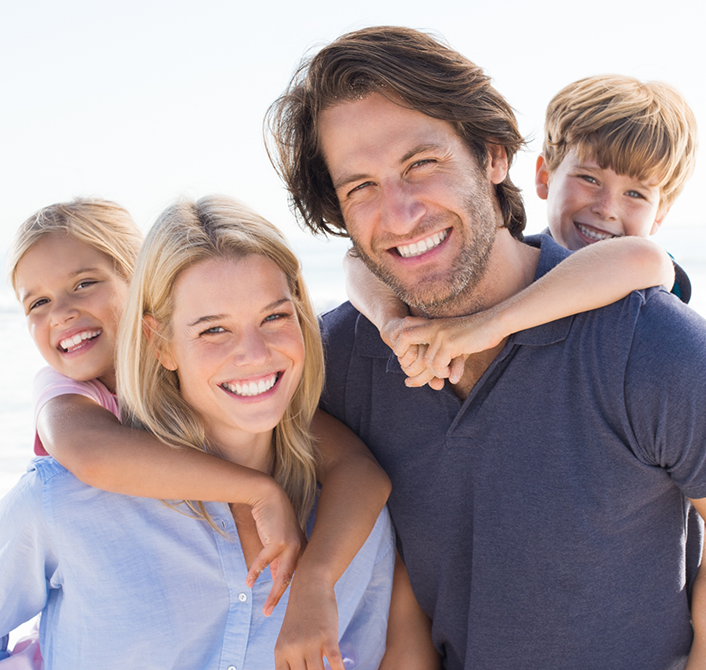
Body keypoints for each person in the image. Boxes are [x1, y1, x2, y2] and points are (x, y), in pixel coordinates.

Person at [266, 25, 706, 669]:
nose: (400, 212)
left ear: (494, 157)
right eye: (360, 186)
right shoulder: (340, 358)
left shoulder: (648, 341)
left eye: (422, 164)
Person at [0, 195, 405, 668]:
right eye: (213, 329)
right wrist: (259, 493)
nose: (253, 353)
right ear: (158, 341)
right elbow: (87, 454)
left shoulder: (348, 520)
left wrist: (314, 578)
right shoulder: (63, 485)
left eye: (274, 316)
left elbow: (356, 467)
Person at [341, 73, 698, 388]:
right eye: (589, 178)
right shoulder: (519, 256)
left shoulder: (646, 282)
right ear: (544, 176)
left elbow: (644, 258)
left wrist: (488, 325)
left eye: (635, 194)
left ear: (660, 214)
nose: (607, 208)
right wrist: (393, 326)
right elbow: (358, 259)